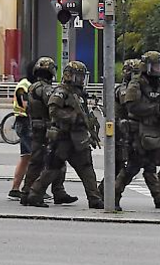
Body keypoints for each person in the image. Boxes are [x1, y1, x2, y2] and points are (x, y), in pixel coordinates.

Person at [114, 51, 160, 214]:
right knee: (132, 167)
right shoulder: (136, 84)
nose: (158, 70)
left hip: (158, 131)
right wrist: (155, 109)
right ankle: (113, 196)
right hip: (139, 131)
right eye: (155, 66)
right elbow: (131, 107)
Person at [27, 61, 103, 209]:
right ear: (69, 76)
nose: (81, 80)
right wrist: (73, 117)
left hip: (78, 137)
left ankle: (94, 199)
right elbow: (53, 111)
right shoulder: (61, 92)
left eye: (82, 77)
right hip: (63, 138)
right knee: (52, 169)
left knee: (87, 169)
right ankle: (34, 195)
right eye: (78, 77)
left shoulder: (78, 93)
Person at [98, 59, 160, 209]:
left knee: (148, 165)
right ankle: (106, 194)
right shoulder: (123, 90)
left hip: (137, 130)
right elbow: (131, 108)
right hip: (123, 131)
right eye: (134, 72)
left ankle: (159, 197)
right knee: (123, 166)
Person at [20, 57, 77, 206]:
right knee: (49, 161)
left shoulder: (32, 86)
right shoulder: (45, 88)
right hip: (45, 129)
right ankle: (33, 192)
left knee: (44, 161)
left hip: (37, 127)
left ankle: (52, 191)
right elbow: (53, 105)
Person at [7, 61, 36, 200]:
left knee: (26, 157)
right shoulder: (24, 85)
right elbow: (24, 104)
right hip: (25, 122)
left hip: (25, 122)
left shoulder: (29, 84)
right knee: (35, 156)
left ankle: (15, 189)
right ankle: (31, 188)